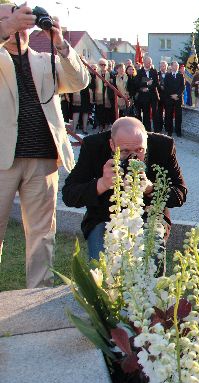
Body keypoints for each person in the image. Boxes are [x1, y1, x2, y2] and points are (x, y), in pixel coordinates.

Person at [0, 4, 90, 289]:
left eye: (19, 20)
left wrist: (60, 42)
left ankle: (36, 299)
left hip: (43, 158)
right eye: (6, 19)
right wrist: (6, 29)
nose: (16, 24)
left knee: (42, 234)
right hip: (2, 159)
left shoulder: (44, 59)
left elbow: (79, 81)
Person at [61, 117, 187, 260]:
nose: (133, 157)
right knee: (101, 267)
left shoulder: (163, 146)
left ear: (147, 141)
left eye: (140, 150)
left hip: (148, 217)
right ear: (112, 145)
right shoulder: (94, 146)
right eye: (125, 151)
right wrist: (101, 184)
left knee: (152, 261)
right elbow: (69, 194)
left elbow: (180, 193)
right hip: (104, 218)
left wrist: (151, 189)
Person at [135, 56, 159, 131]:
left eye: (151, 62)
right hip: (144, 97)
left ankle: (156, 130)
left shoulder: (154, 71)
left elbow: (156, 83)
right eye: (148, 62)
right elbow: (137, 84)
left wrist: (148, 87)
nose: (150, 64)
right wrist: (146, 83)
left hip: (153, 95)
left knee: (155, 113)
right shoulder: (139, 72)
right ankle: (147, 130)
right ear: (144, 62)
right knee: (146, 114)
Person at [164, 61, 185, 137]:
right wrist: (172, 95)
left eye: (177, 66)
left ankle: (178, 131)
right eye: (175, 66)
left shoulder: (181, 75)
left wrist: (177, 95)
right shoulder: (167, 75)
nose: (176, 67)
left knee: (178, 115)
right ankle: (169, 131)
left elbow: (182, 87)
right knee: (169, 115)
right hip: (169, 98)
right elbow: (165, 87)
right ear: (171, 66)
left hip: (178, 99)